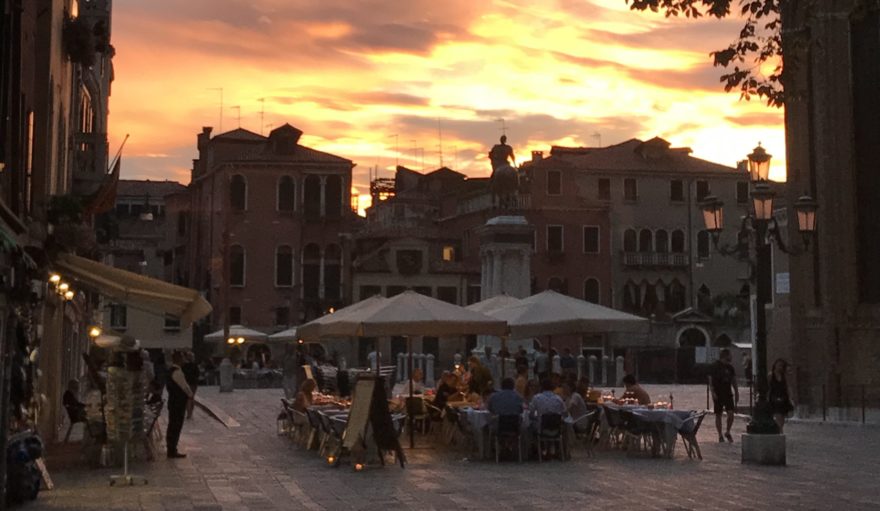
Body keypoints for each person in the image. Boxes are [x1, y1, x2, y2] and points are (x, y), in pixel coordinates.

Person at [166, 351, 194, 459]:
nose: (184, 360)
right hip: (177, 403)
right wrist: (190, 395)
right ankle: (172, 449)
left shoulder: (172, 371)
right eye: (182, 358)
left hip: (173, 402)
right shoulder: (177, 372)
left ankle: (172, 448)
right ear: (178, 359)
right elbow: (184, 386)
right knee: (175, 425)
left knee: (173, 425)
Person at [709, 348, 739, 443]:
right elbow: (711, 380)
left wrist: (736, 391)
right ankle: (720, 434)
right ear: (725, 356)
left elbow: (733, 380)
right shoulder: (714, 366)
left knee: (731, 413)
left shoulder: (730, 368)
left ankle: (728, 431)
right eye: (730, 355)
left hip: (728, 393)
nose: (731, 357)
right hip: (718, 392)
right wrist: (713, 392)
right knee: (719, 414)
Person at [768, 358, 794, 433]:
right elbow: (768, 388)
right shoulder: (771, 375)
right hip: (774, 398)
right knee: (778, 416)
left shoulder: (784, 376)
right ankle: (780, 432)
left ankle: (779, 430)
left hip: (783, 398)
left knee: (782, 418)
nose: (780, 367)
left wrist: (790, 397)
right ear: (775, 365)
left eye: (781, 366)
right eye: (778, 365)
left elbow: (788, 386)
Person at [182, 351, 200, 419]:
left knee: (188, 398)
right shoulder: (194, 365)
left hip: (187, 382)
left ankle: (189, 413)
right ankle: (190, 412)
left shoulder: (184, 366)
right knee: (191, 397)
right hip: (193, 383)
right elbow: (197, 374)